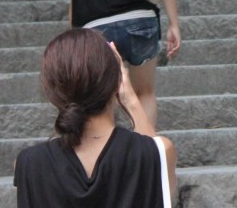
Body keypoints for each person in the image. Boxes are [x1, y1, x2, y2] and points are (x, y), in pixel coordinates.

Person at [14, 28, 177, 207]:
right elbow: (155, 162)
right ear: (117, 80)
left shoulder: (28, 165)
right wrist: (130, 99)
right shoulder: (159, 152)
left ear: (52, 91)